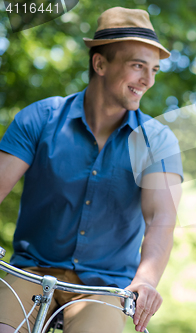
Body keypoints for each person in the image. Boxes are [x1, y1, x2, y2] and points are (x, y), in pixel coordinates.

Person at [0, 7, 183, 333]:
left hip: (103, 286)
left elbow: (160, 218)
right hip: (31, 271)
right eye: (137, 66)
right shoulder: (41, 118)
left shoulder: (155, 139)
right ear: (100, 64)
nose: (148, 80)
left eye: (154, 69)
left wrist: (146, 279)